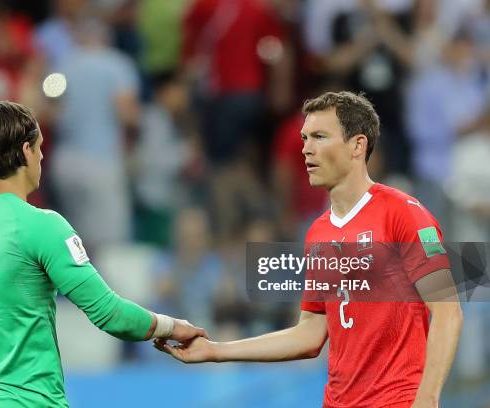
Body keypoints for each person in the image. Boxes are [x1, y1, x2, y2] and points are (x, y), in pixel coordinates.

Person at [155, 91, 463, 408]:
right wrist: (216, 350)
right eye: (305, 138)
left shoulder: (405, 213)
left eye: (319, 137)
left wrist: (427, 398)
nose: (305, 149)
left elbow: (448, 311)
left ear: (358, 145)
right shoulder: (319, 233)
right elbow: (311, 333)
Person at [0, 101, 207, 408]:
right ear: (26, 151)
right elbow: (111, 315)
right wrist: (172, 326)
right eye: (39, 147)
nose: (42, 156)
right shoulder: (41, 226)